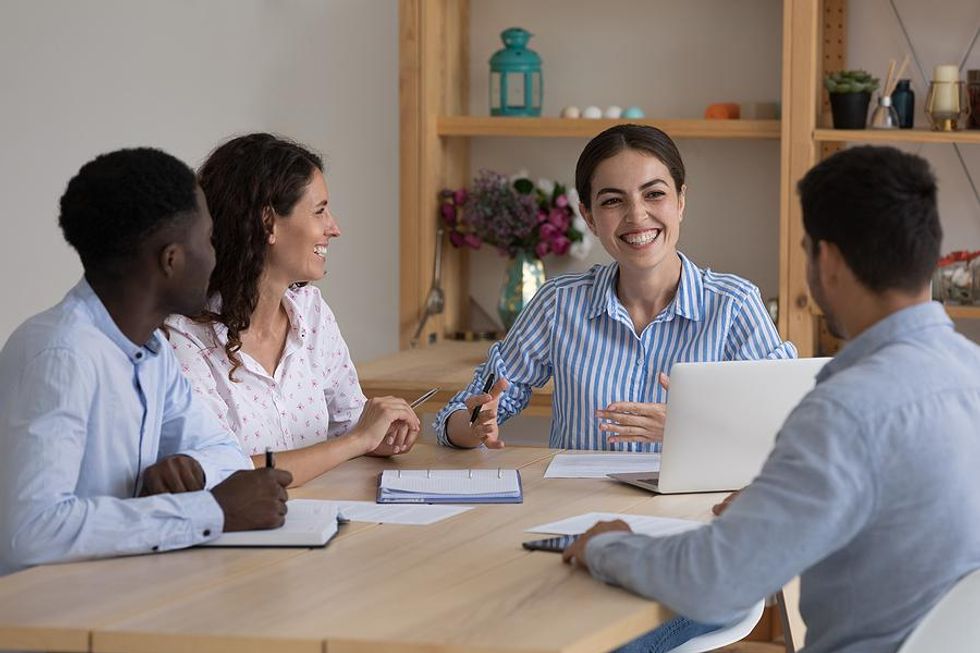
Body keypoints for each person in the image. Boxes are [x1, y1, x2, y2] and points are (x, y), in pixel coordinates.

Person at [563, 146, 980, 653]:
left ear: (825, 260)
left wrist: (606, 545)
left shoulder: (844, 412)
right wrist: (777, 502)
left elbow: (714, 580)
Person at [0, 148, 292, 576]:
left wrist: (192, 468)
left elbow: (227, 454)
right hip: (42, 623)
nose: (216, 256)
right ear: (171, 259)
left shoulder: (151, 352)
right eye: (209, 240)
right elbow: (30, 532)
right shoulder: (62, 355)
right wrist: (208, 511)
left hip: (116, 594)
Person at [434, 124, 796, 451]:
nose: (637, 215)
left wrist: (688, 427)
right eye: (612, 200)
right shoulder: (559, 303)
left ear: (681, 201)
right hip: (573, 515)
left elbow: (792, 428)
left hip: (683, 519)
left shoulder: (733, 306)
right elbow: (461, 415)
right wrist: (474, 426)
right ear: (589, 216)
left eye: (653, 194)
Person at [166, 134, 420, 488]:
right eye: (319, 211)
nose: (334, 228)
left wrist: (383, 429)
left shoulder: (310, 312)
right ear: (268, 222)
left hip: (322, 523)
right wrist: (357, 441)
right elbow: (217, 473)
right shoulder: (182, 336)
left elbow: (350, 422)